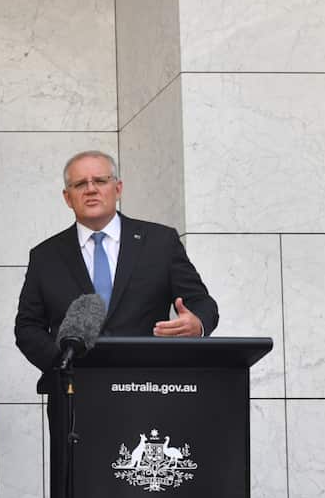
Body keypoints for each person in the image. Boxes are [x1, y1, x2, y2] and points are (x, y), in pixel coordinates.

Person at [14, 150, 218, 374]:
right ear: (67, 198)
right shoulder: (45, 256)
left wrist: (196, 324)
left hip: (149, 385)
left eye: (100, 181)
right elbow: (27, 327)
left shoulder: (160, 242)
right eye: (80, 184)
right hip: (74, 392)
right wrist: (65, 362)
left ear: (118, 189)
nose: (91, 189)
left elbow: (201, 302)